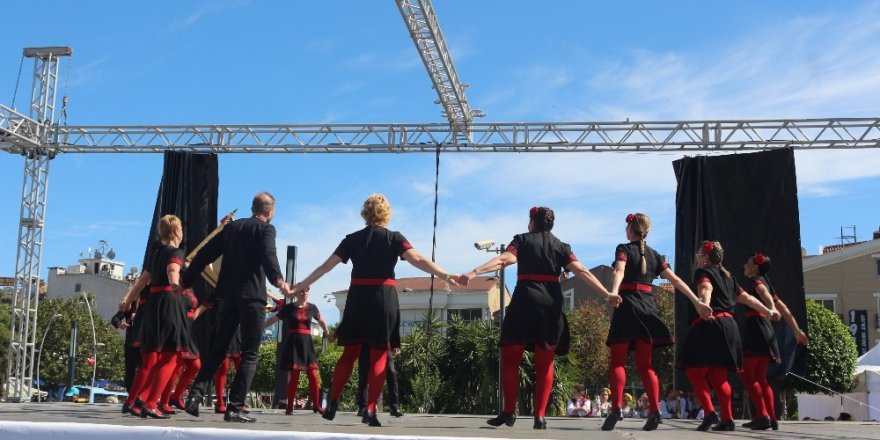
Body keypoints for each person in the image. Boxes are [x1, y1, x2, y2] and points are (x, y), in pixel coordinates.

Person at [290, 193, 458, 427]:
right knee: (380, 353)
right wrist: (447, 275)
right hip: (383, 297)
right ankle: (370, 408)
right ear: (387, 213)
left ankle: (334, 402)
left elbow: (326, 266)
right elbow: (417, 259)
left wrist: (300, 285)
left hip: (357, 297)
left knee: (349, 354)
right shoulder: (394, 238)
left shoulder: (351, 239)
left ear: (365, 213)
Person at [459, 206, 616, 430]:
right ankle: (540, 417)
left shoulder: (522, 240)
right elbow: (581, 270)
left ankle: (508, 412)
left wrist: (474, 272)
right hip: (550, 306)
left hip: (525, 301)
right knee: (545, 362)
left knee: (511, 356)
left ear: (532, 222)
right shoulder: (562, 246)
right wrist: (606, 293)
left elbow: (504, 260)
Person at [181, 192, 290, 423]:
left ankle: (194, 396)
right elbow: (269, 256)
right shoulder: (266, 230)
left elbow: (203, 254)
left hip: (227, 297)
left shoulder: (232, 228)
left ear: (253, 208)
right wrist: (279, 281)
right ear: (269, 212)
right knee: (250, 353)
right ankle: (235, 407)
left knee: (218, 349)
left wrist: (186, 282)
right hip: (252, 298)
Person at [603, 213, 711, 431]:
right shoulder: (655, 255)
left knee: (617, 362)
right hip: (648, 309)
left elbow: (619, 270)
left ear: (630, 230)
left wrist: (613, 292)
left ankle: (615, 408)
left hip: (627, 307)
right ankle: (654, 410)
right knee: (646, 365)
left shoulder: (623, 248)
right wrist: (697, 301)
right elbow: (676, 280)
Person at [678, 240, 779, 432]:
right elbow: (746, 299)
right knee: (719, 375)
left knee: (694, 371)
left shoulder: (703, 272)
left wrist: (704, 303)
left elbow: (705, 288)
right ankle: (727, 418)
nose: (698, 257)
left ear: (706, 258)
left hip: (710, 324)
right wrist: (767, 310)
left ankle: (709, 412)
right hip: (730, 326)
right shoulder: (729, 276)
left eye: (700, 254)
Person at [127, 215, 190, 419]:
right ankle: (152, 403)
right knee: (171, 356)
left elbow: (142, 281)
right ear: (176, 231)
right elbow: (173, 268)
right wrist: (174, 283)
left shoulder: (156, 254)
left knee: (151, 357)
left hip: (153, 305)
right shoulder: (175, 252)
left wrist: (128, 300)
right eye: (180, 228)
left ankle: (138, 401)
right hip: (169, 303)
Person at [739, 252, 809, 431]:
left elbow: (764, 294)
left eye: (748, 263)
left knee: (747, 375)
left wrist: (769, 308)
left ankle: (762, 415)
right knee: (761, 378)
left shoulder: (757, 282)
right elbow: (784, 308)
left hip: (756, 329)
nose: (745, 265)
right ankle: (772, 417)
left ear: (755, 268)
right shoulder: (766, 281)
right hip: (766, 331)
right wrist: (796, 330)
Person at [264, 287, 333, 415]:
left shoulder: (313, 307)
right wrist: (260, 328)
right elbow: (274, 319)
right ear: (296, 293)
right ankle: (289, 406)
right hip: (293, 344)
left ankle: (317, 405)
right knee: (294, 377)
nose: (305, 293)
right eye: (302, 291)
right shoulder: (288, 308)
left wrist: (328, 334)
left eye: (306, 291)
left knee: (313, 376)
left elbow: (321, 320)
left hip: (307, 344)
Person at [357, 344, 403, 418]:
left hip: (384, 343)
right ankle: (363, 407)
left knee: (391, 372)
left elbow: (392, 331)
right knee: (364, 374)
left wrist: (395, 343)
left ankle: (395, 407)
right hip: (366, 342)